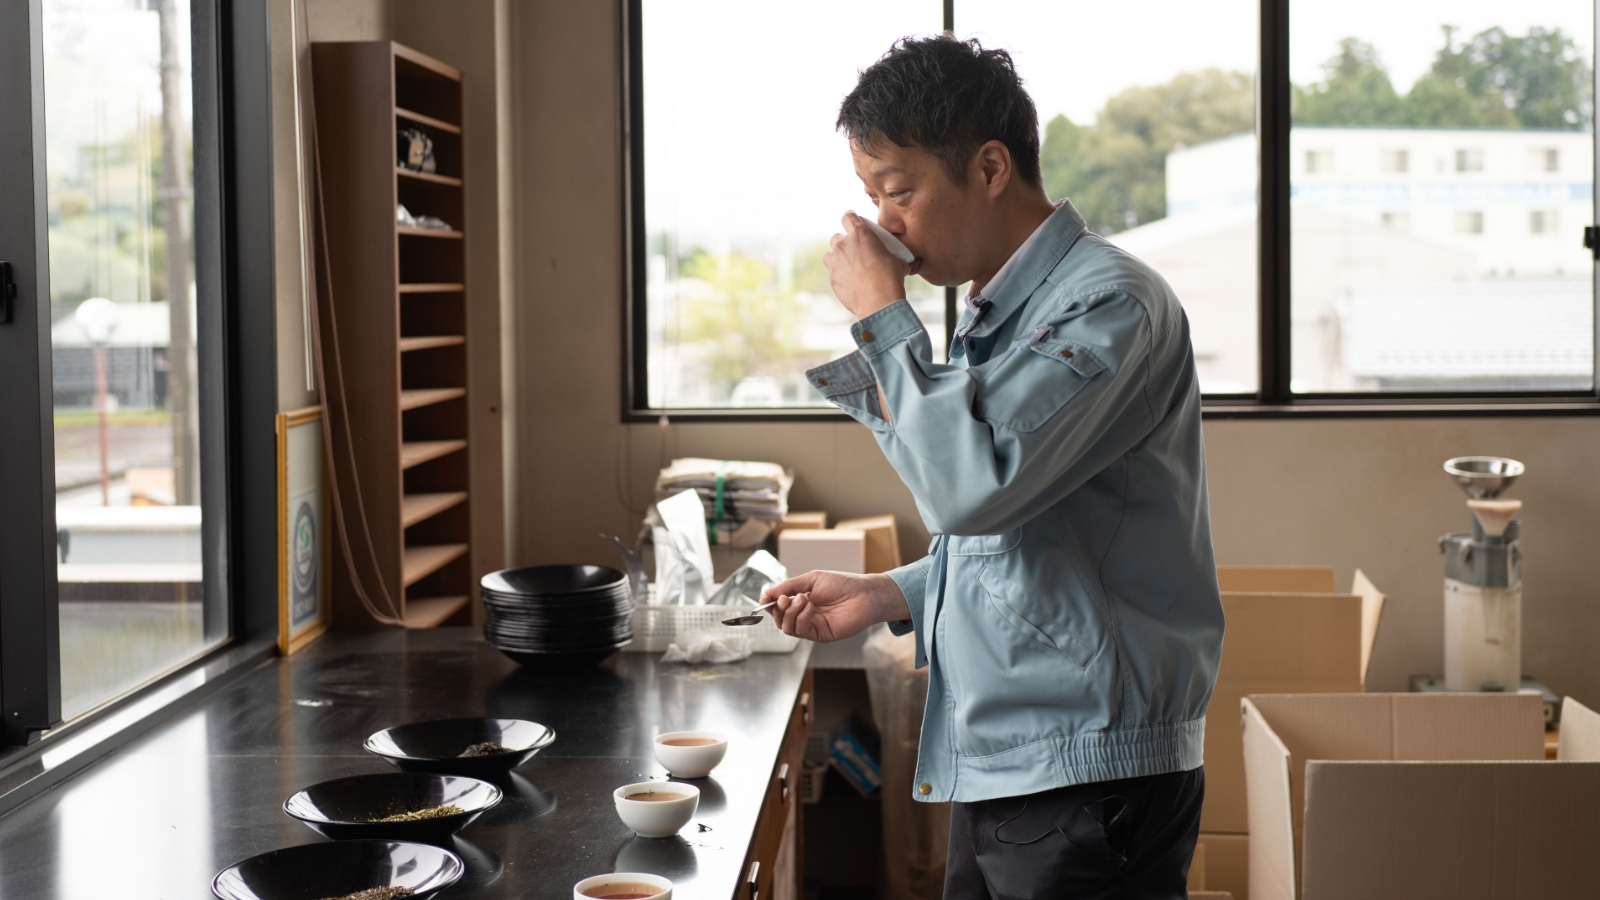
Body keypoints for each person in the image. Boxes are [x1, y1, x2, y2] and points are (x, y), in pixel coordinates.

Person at [761, 35, 1225, 900]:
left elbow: (965, 492)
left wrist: (883, 320)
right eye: (870, 196)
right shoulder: (1004, 313)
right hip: (1018, 765)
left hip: (1088, 778)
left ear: (989, 167)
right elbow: (1032, 537)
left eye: (898, 191)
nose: (883, 223)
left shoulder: (1106, 304)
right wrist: (889, 595)